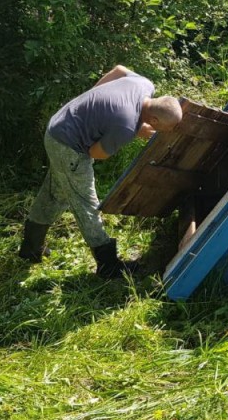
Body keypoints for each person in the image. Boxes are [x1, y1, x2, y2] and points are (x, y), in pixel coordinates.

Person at [19, 65, 183, 278]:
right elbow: (96, 153)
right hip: (67, 145)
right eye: (165, 129)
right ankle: (108, 266)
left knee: (55, 193)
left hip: (60, 124)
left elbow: (119, 70)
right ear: (154, 121)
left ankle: (30, 248)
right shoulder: (125, 127)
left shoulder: (144, 84)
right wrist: (133, 131)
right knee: (86, 204)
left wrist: (92, 100)